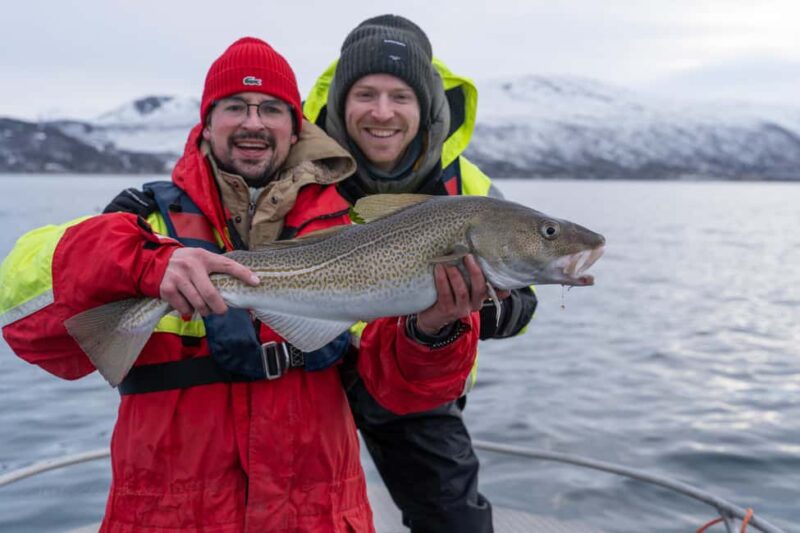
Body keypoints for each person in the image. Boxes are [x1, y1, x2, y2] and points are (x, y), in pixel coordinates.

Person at [0, 37, 488, 532]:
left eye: (271, 108)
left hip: (315, 518)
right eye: (235, 106)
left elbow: (401, 392)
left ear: (295, 126)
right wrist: (142, 263)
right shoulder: (144, 221)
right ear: (207, 124)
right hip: (168, 518)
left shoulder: (350, 230)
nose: (253, 121)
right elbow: (21, 318)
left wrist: (435, 331)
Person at [302, 15, 538, 533]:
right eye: (366, 93)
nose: (382, 112)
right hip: (307, 369)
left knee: (456, 523)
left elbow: (522, 302)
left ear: (425, 105)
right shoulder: (294, 169)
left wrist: (474, 306)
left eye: (400, 96)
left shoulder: (469, 188)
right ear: (341, 102)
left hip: (417, 373)